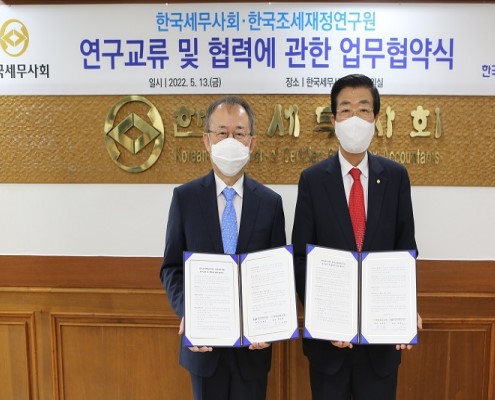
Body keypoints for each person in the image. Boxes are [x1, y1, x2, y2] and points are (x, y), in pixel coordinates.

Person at [292, 74, 422, 400]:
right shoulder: (312, 180)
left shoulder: (395, 177)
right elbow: (301, 257)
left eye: (363, 109)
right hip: (329, 346)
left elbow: (405, 249)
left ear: (375, 118)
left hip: (380, 344)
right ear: (333, 120)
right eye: (346, 110)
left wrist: (406, 309)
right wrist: (323, 317)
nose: (355, 118)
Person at [160, 95, 286, 400]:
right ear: (207, 141)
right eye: (221, 132)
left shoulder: (270, 203)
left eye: (239, 133)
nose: (231, 140)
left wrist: (269, 325)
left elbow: (278, 273)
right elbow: (171, 268)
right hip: (204, 349)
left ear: (252, 143)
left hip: (252, 350)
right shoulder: (185, 199)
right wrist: (189, 313)